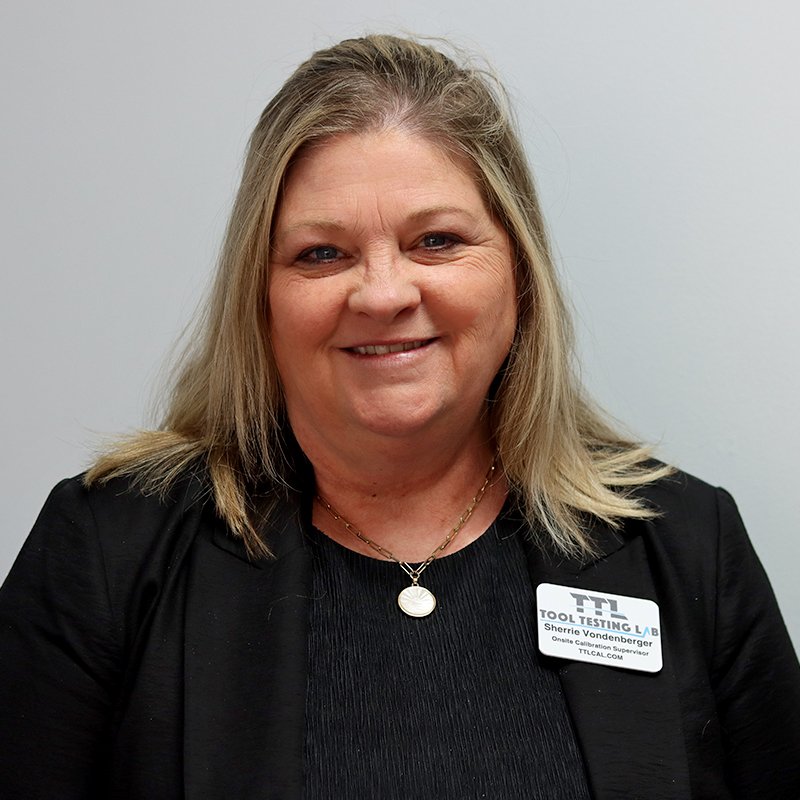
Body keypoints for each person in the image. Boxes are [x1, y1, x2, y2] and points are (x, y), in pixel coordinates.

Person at [0, 34, 798, 800]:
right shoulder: (109, 551)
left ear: (518, 276)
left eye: (436, 241)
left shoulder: (689, 548)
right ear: (261, 297)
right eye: (322, 253)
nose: (383, 294)